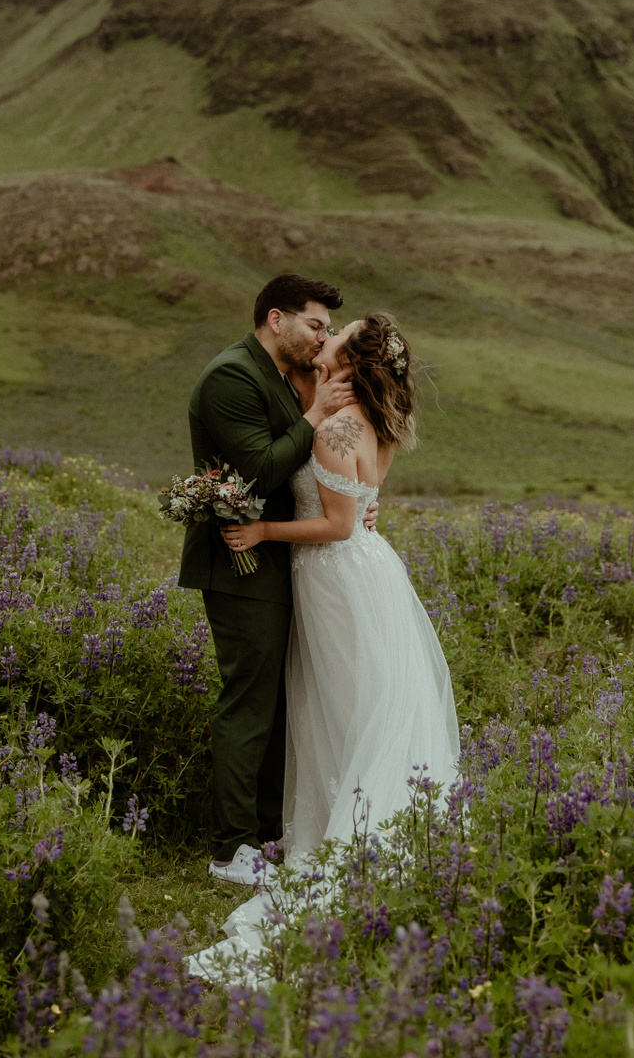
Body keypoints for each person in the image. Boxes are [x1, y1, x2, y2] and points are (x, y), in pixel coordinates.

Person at [186, 311, 459, 985]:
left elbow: (338, 525)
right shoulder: (367, 419)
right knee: (354, 704)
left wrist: (262, 533)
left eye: (339, 332)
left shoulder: (337, 427)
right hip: (358, 571)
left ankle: (351, 834)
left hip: (338, 579)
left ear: (351, 358)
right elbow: (363, 502)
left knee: (345, 706)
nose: (327, 335)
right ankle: (356, 823)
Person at [181, 274, 367, 885]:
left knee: (282, 701)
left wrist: (354, 503)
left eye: (326, 329)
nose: (321, 338)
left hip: (287, 559)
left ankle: (268, 833)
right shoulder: (231, 376)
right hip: (240, 561)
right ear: (276, 318)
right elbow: (259, 470)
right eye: (315, 325)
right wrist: (315, 413)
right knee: (249, 702)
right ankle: (229, 849)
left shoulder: (290, 374)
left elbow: (315, 465)